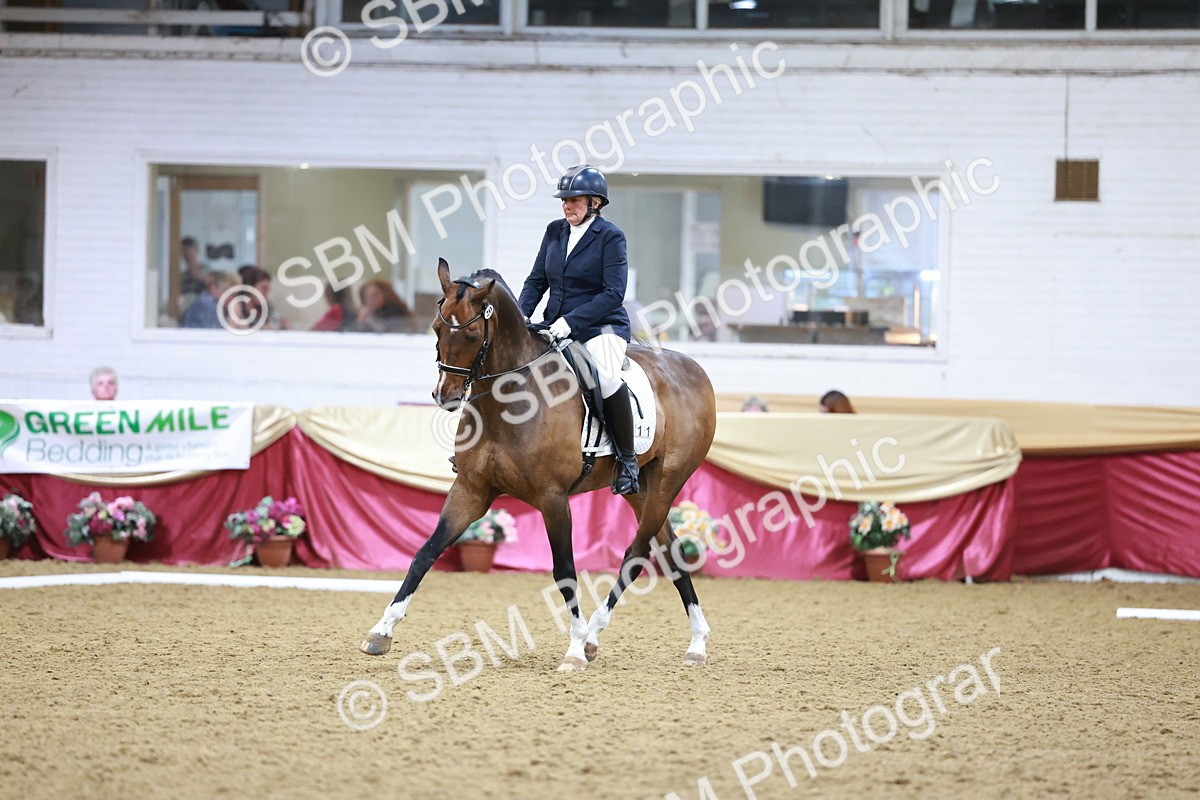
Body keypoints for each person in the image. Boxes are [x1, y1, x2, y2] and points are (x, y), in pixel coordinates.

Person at [518, 164, 640, 495]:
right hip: (554, 323)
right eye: (564, 200)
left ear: (595, 203)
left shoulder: (611, 237)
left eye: (574, 200)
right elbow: (536, 280)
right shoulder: (554, 231)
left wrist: (570, 322)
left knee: (606, 376)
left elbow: (614, 292)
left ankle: (627, 461)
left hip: (601, 327)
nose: (567, 206)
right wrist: (520, 317)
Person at [353, 279, 419, 333]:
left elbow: (390, 333)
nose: (370, 300)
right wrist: (360, 322)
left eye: (375, 295)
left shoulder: (399, 313)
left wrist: (371, 320)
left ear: (386, 294)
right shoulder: (363, 314)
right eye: (366, 297)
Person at [178, 237, 208, 314]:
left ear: (197, 251)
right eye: (184, 253)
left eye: (190, 252)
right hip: (187, 310)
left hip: (204, 309)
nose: (187, 256)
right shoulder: (182, 276)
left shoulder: (206, 270)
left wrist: (201, 278)